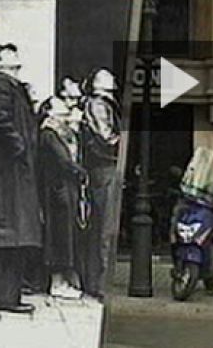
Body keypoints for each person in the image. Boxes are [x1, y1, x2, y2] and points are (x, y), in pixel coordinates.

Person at [0, 43, 42, 314]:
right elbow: (2, 121)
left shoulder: (12, 86)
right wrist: (20, 149)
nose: (15, 54)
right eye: (7, 53)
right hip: (12, 168)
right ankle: (6, 297)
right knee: (11, 232)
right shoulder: (2, 85)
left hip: (12, 167)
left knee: (7, 231)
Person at [39, 96, 87, 300]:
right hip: (58, 191)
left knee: (65, 235)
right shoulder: (49, 134)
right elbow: (64, 161)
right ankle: (57, 282)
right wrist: (81, 172)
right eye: (59, 103)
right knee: (59, 236)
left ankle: (63, 280)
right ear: (50, 111)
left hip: (64, 190)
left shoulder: (62, 132)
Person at [79, 68, 121, 298]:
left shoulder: (103, 104)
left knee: (103, 227)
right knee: (105, 228)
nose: (112, 78)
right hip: (105, 168)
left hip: (103, 168)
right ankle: (101, 284)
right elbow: (105, 137)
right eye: (106, 75)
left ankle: (97, 281)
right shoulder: (98, 104)